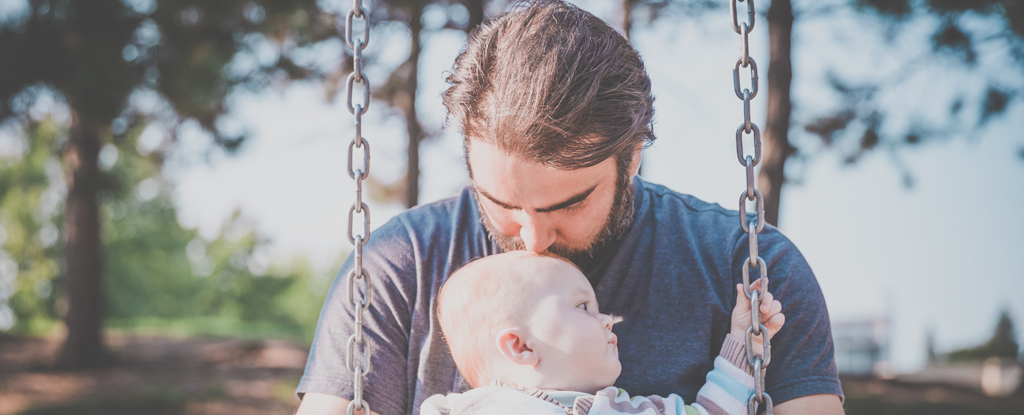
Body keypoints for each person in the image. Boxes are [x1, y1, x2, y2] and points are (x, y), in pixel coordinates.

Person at [296, 1, 844, 414]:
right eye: (501, 202)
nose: (531, 240)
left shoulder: (747, 268)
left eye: (568, 203)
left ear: (631, 160)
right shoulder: (398, 265)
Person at [421, 251, 785, 415]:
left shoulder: (630, 410)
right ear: (520, 346)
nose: (608, 319)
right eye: (583, 308)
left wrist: (742, 341)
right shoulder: (466, 410)